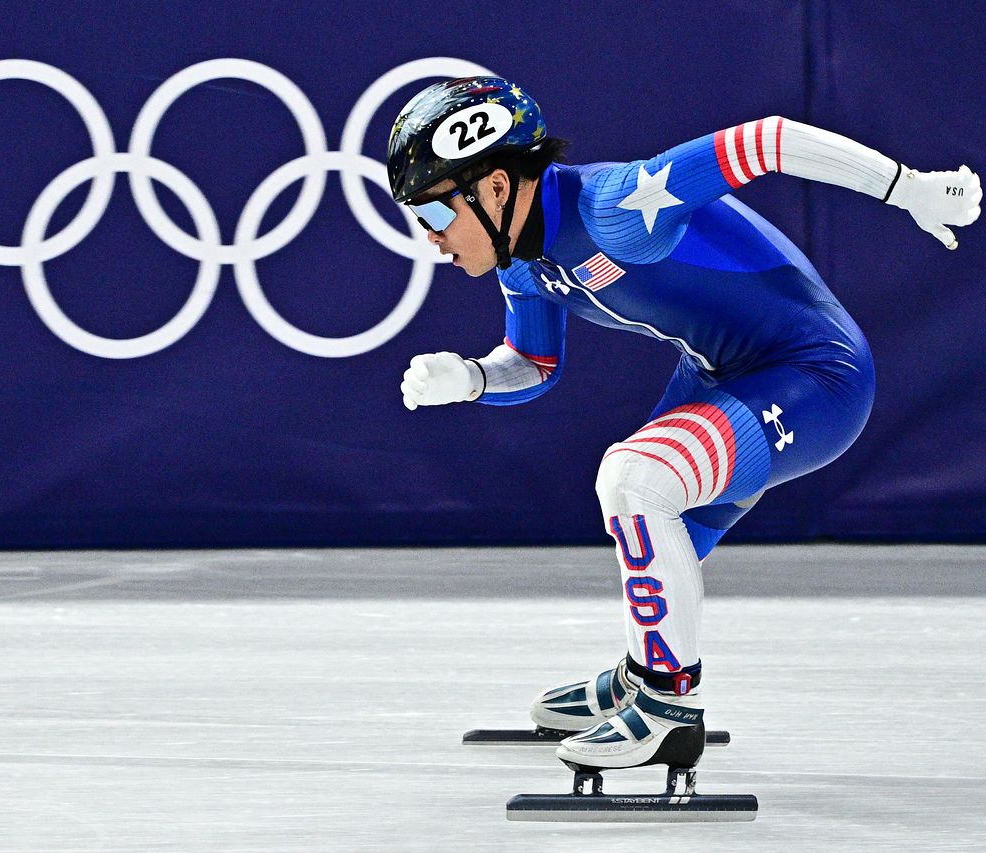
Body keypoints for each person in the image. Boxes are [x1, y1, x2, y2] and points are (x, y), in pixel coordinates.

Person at [387, 77, 980, 772]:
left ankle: (668, 708)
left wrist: (905, 187)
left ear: (492, 189)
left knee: (635, 480)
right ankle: (646, 673)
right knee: (663, 534)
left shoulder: (615, 208)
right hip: (726, 375)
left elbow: (770, 139)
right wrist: (474, 377)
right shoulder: (521, 260)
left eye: (430, 215)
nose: (428, 240)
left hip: (816, 375)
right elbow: (534, 362)